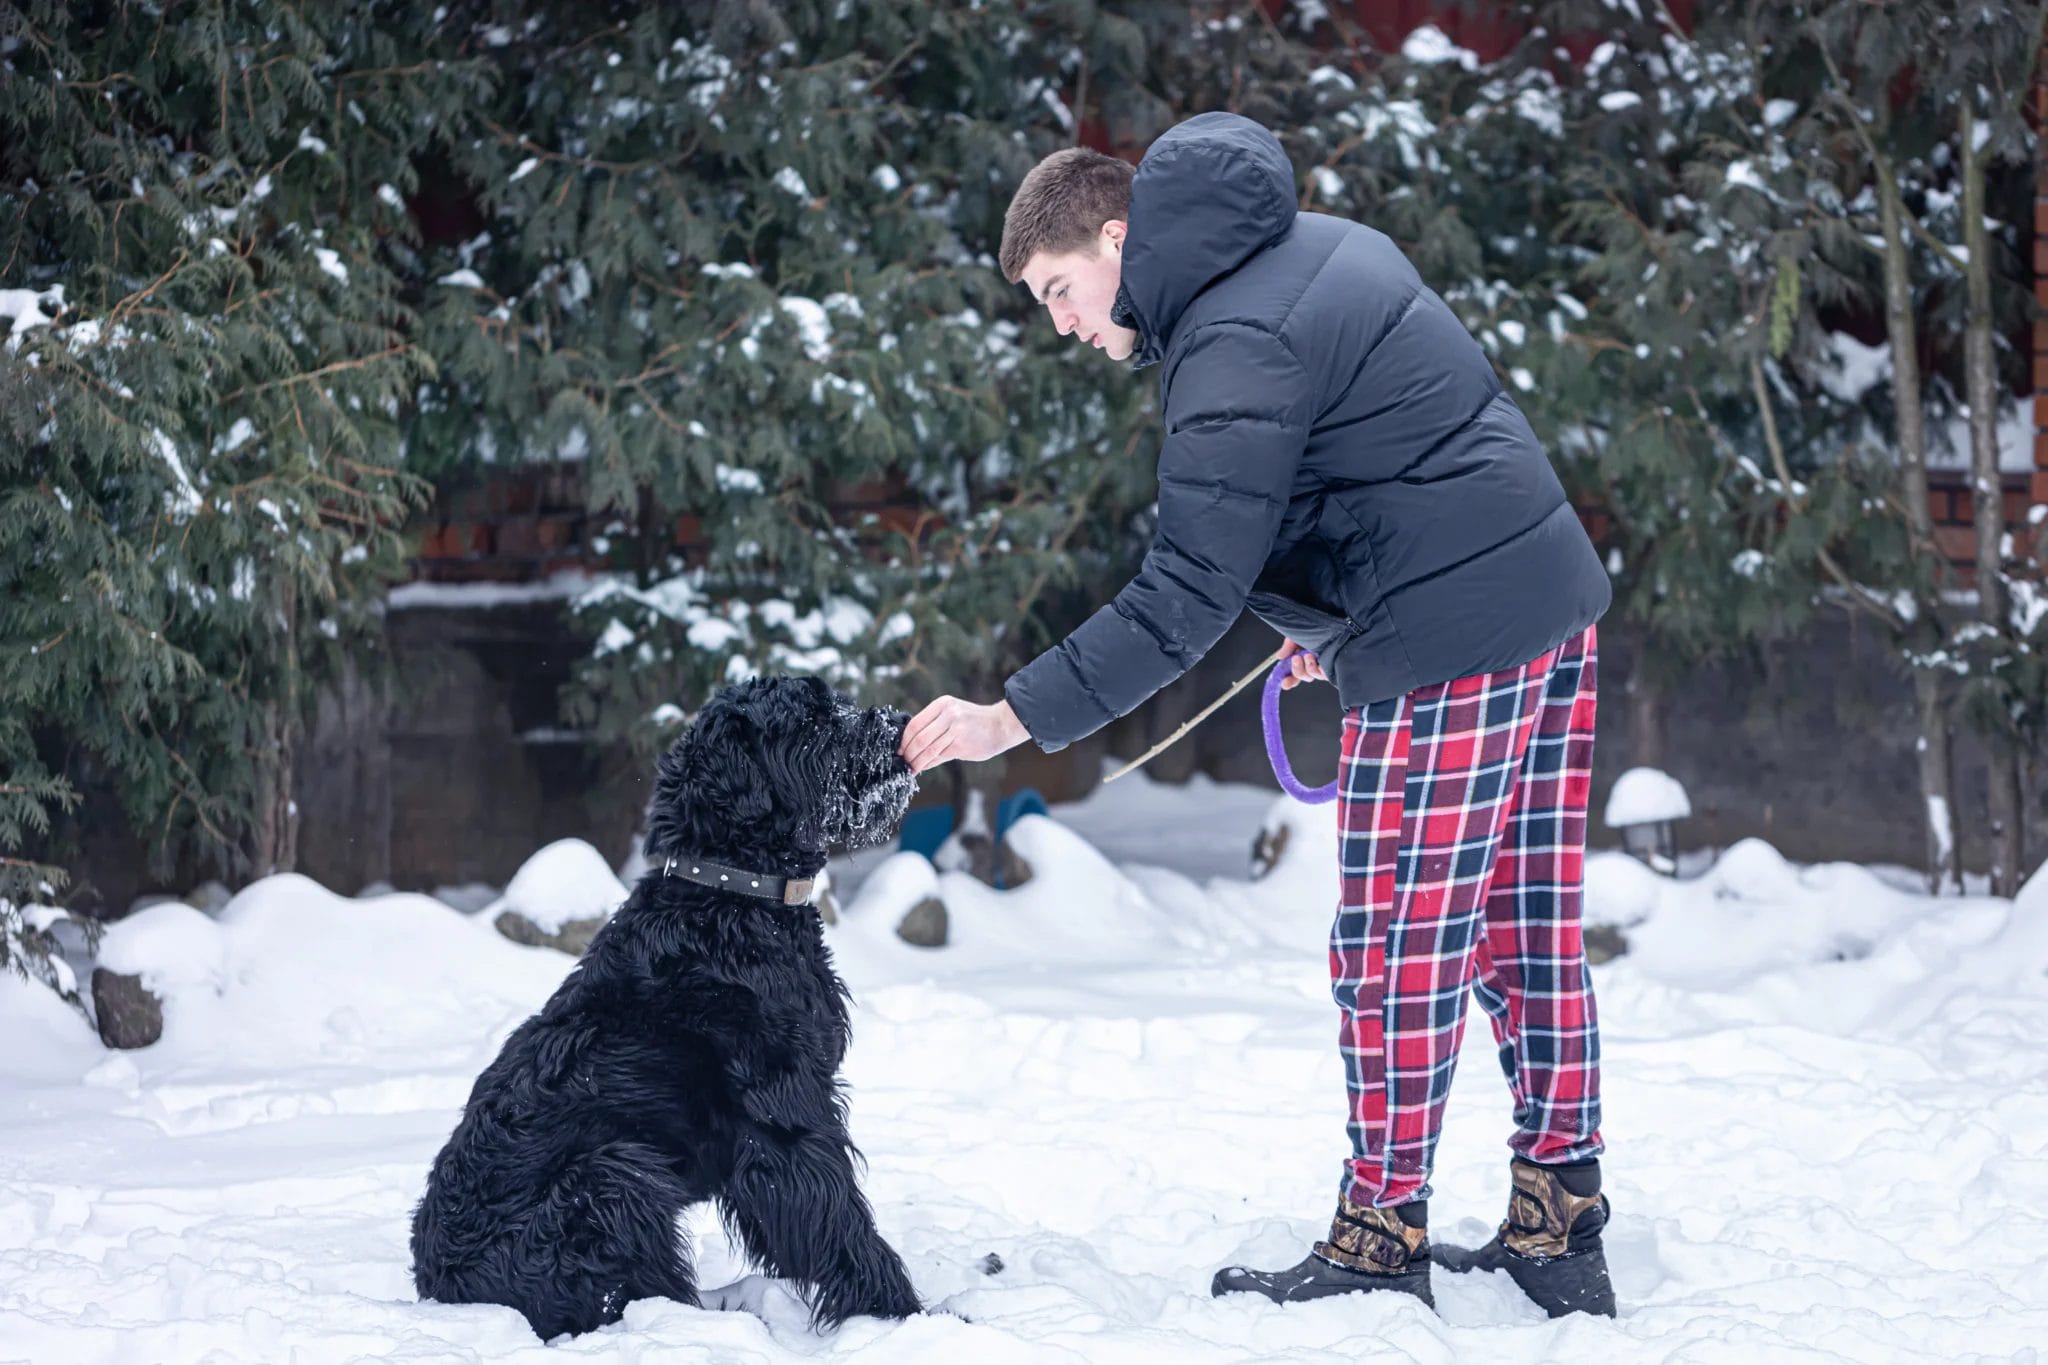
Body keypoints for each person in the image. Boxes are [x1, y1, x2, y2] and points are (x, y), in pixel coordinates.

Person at [896, 112, 1616, 1318]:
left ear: (1119, 238)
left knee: (1390, 947)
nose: (1065, 325)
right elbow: (1392, 453)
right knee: (1522, 925)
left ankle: (1377, 1240)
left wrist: (1007, 717)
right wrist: (1322, 621)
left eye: (1062, 290)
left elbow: (1182, 594)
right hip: (1545, 606)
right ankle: (1558, 1222)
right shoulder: (1306, 246)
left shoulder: (1230, 342)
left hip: (1449, 649)